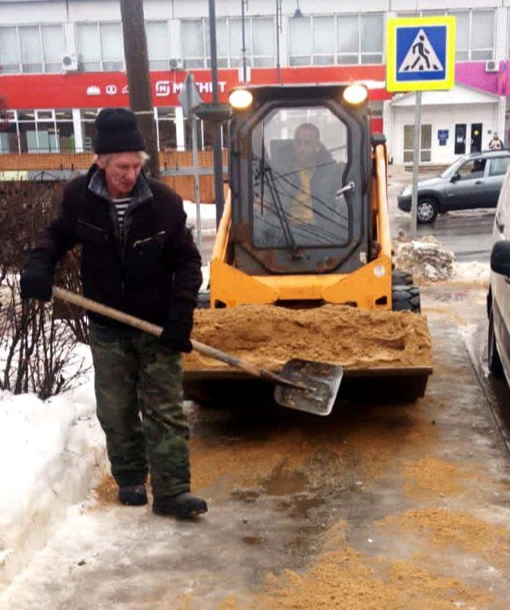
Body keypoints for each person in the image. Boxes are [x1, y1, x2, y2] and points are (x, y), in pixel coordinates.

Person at [20, 108, 207, 520]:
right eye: (122, 166)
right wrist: (39, 266)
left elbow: (188, 263)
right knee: (116, 408)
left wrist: (180, 319)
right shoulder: (79, 198)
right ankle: (130, 478)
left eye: (136, 165)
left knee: (166, 410)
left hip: (156, 325)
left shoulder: (163, 202)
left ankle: (174, 491)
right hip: (107, 325)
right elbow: (57, 234)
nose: (130, 174)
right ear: (100, 161)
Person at [285, 122, 344, 225]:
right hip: (285, 231)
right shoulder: (279, 171)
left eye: (307, 143)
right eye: (298, 143)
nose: (301, 149)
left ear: (317, 146)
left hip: (320, 234)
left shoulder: (331, 172)